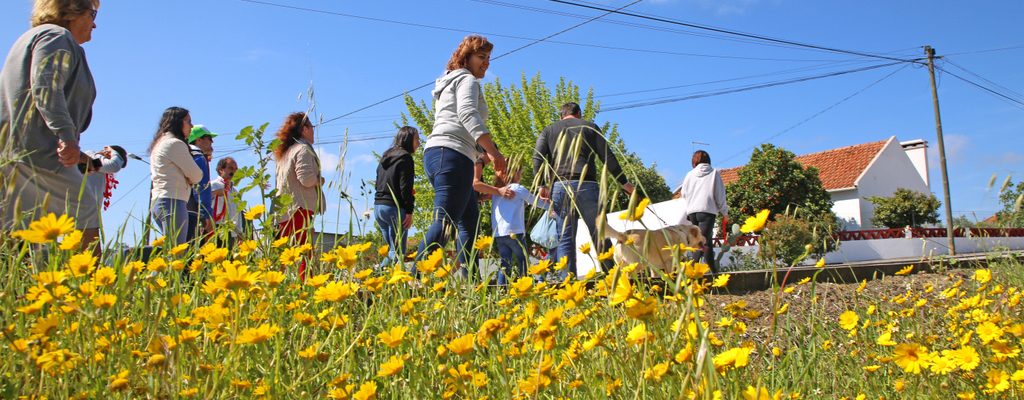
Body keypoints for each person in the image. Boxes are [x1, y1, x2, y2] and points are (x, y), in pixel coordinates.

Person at [0, 0, 103, 252]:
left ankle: (16, 289)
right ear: (71, 11)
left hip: (14, 152)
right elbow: (46, 85)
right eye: (92, 13)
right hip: (40, 153)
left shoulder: (29, 39)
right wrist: (66, 136)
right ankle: (91, 287)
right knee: (85, 210)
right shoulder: (57, 36)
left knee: (17, 228)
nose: (95, 23)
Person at [415, 34, 507, 270]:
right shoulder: (468, 80)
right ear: (466, 57)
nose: (486, 62)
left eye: (488, 58)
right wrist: (494, 154)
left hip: (443, 154)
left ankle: (473, 283)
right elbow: (467, 114)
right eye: (481, 56)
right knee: (444, 223)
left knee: (469, 221)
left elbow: (458, 122)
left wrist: (471, 183)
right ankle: (411, 281)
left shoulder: (449, 81)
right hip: (452, 154)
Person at [533, 102, 635, 279]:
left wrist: (541, 185)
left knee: (565, 236)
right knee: (600, 231)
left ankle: (568, 281)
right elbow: (607, 156)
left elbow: (537, 157)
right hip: (587, 185)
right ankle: (612, 277)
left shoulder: (549, 130)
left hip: (560, 187)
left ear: (561, 115)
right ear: (579, 113)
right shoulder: (589, 127)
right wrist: (624, 183)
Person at [273, 112, 324, 280]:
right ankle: (306, 284)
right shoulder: (302, 149)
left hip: (284, 208)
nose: (314, 131)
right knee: (304, 250)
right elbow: (306, 179)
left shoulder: (286, 152)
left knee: (283, 252)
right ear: (304, 129)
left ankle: (275, 284)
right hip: (299, 207)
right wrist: (319, 180)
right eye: (312, 127)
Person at [148, 107, 203, 247]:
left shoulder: (160, 143)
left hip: (161, 201)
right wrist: (189, 178)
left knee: (171, 250)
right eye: (189, 122)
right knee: (176, 252)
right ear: (178, 122)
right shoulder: (175, 144)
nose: (191, 126)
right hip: (172, 201)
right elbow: (197, 175)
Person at [490, 160, 548, 286]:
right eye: (520, 173)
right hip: (514, 231)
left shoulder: (497, 191)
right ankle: (526, 286)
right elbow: (535, 201)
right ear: (514, 173)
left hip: (499, 233)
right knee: (523, 260)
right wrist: (551, 206)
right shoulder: (517, 188)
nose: (521, 176)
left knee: (505, 262)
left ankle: (502, 288)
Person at [374, 126, 419, 269]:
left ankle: (382, 279)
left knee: (392, 250)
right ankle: (378, 276)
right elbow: (405, 187)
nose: (419, 143)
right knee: (398, 251)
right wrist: (409, 211)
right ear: (409, 139)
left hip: (378, 208)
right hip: (394, 208)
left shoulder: (385, 156)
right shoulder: (405, 158)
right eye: (417, 139)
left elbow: (377, 182)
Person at [679, 150, 728, 273]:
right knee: (701, 242)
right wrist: (725, 213)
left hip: (692, 212)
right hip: (707, 211)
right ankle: (690, 272)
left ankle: (714, 271)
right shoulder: (714, 173)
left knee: (707, 243)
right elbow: (720, 195)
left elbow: (683, 193)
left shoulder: (689, 174)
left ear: (694, 161)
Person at [82, 145, 127, 229]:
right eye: (113, 157)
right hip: (83, 208)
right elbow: (113, 165)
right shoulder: (92, 156)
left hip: (89, 211)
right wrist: (112, 151)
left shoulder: (96, 163)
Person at [185, 125, 216, 245]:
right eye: (209, 138)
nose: (212, 142)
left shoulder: (187, 154)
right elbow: (202, 187)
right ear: (198, 140)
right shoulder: (198, 156)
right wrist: (206, 214)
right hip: (193, 209)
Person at [210, 156, 244, 247]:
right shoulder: (213, 185)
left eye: (236, 169)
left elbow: (238, 213)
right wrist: (215, 193)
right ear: (221, 170)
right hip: (215, 227)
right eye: (230, 168)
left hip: (231, 231)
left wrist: (239, 232)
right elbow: (204, 202)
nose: (234, 172)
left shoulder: (235, 191)